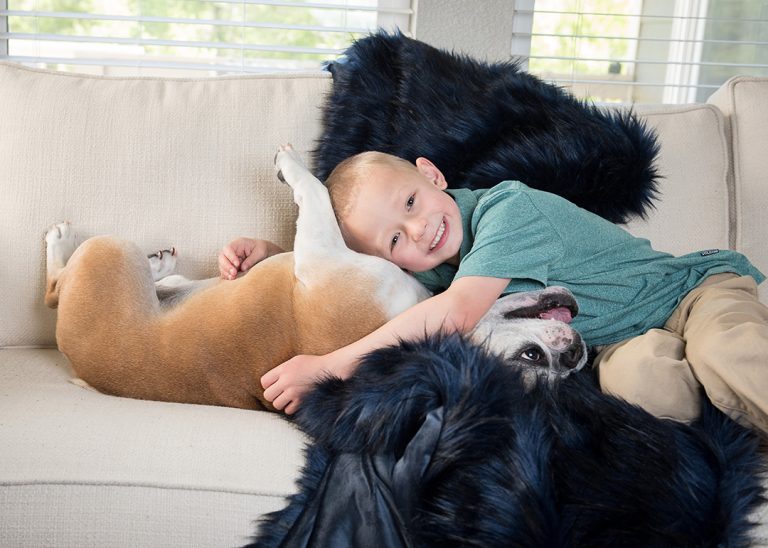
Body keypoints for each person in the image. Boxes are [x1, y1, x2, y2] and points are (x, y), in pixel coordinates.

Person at [219, 152, 768, 438]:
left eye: (410, 203)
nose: (418, 231)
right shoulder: (434, 272)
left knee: (727, 351)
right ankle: (733, 424)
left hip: (691, 294)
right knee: (640, 387)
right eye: (394, 239)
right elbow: (353, 278)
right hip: (625, 344)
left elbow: (456, 315)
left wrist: (330, 366)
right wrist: (273, 255)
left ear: (431, 175)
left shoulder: (510, 210)